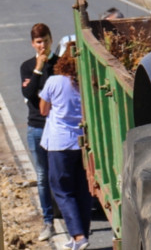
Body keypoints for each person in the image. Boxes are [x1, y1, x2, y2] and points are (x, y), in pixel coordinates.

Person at [39, 42, 93, 250]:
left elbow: (43, 109)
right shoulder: (85, 82)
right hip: (81, 142)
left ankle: (78, 237)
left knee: (62, 190)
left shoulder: (54, 81)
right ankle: (81, 234)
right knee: (82, 191)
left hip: (59, 143)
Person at [20, 23, 58, 241]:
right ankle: (48, 221)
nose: (42, 45)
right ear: (32, 44)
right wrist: (38, 68)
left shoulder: (60, 64)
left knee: (59, 175)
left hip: (57, 127)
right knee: (43, 176)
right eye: (38, 42)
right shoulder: (27, 66)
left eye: (45, 40)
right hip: (36, 127)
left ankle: (73, 221)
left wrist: (47, 65)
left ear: (51, 39)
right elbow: (28, 92)